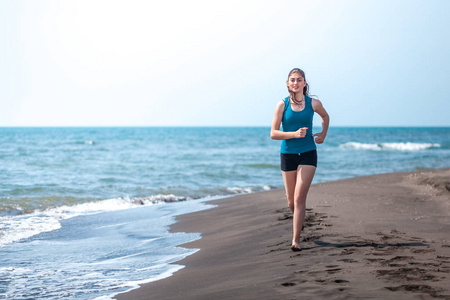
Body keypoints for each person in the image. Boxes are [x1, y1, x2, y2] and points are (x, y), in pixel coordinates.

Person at [270, 68, 329, 252]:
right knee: (290, 201)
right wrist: (293, 134)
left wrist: (323, 135)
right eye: (292, 80)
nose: (295, 83)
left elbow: (325, 117)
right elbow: (273, 133)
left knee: (299, 196)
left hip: (308, 152)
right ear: (288, 84)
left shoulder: (314, 103)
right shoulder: (282, 105)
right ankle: (299, 220)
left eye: (299, 80)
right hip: (287, 154)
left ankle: (295, 240)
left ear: (304, 83)